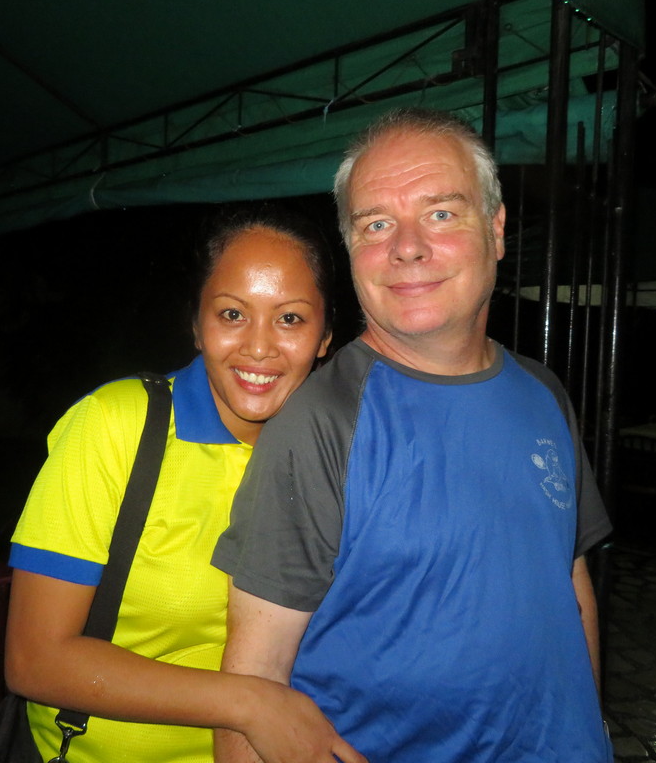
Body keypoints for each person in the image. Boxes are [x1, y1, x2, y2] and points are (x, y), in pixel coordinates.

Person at [212, 108, 614, 762]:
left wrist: (592, 733)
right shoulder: (320, 424)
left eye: (441, 213)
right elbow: (252, 683)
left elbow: (570, 581)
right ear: (352, 250)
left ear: (496, 229)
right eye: (376, 224)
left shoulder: (544, 394)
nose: (407, 247)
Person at [4, 204, 367, 763]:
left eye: (290, 319)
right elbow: (34, 659)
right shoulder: (116, 426)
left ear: (325, 336)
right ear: (197, 325)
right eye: (232, 314)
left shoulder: (343, 455)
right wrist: (249, 705)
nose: (259, 347)